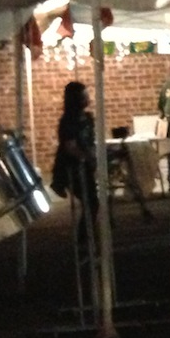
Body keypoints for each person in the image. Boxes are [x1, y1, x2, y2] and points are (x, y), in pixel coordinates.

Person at [51, 81, 98, 249]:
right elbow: (70, 147)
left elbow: (90, 141)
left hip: (85, 165)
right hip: (72, 167)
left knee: (92, 203)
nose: (88, 98)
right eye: (85, 95)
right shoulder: (68, 121)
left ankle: (88, 238)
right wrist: (86, 157)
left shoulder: (88, 118)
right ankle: (84, 240)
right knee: (91, 202)